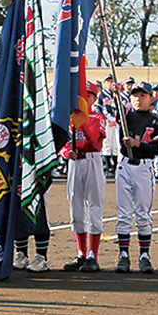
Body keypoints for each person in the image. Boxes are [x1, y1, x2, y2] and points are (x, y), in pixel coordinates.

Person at [113, 82, 158, 273]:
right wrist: (116, 93)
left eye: (142, 95)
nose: (138, 98)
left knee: (143, 213)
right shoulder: (126, 115)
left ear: (151, 98)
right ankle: (124, 254)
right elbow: (118, 110)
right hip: (125, 165)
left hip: (144, 166)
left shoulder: (155, 120)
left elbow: (156, 148)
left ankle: (144, 254)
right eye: (135, 95)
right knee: (124, 213)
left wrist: (138, 144)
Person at [60, 80, 107, 271]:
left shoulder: (97, 117)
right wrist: (67, 152)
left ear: (94, 98)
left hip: (92, 160)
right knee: (76, 206)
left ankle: (93, 255)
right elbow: (63, 143)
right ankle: (81, 253)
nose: (84, 99)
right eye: (81, 95)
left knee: (94, 205)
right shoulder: (69, 117)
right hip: (75, 162)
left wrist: (82, 122)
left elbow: (95, 143)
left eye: (88, 95)